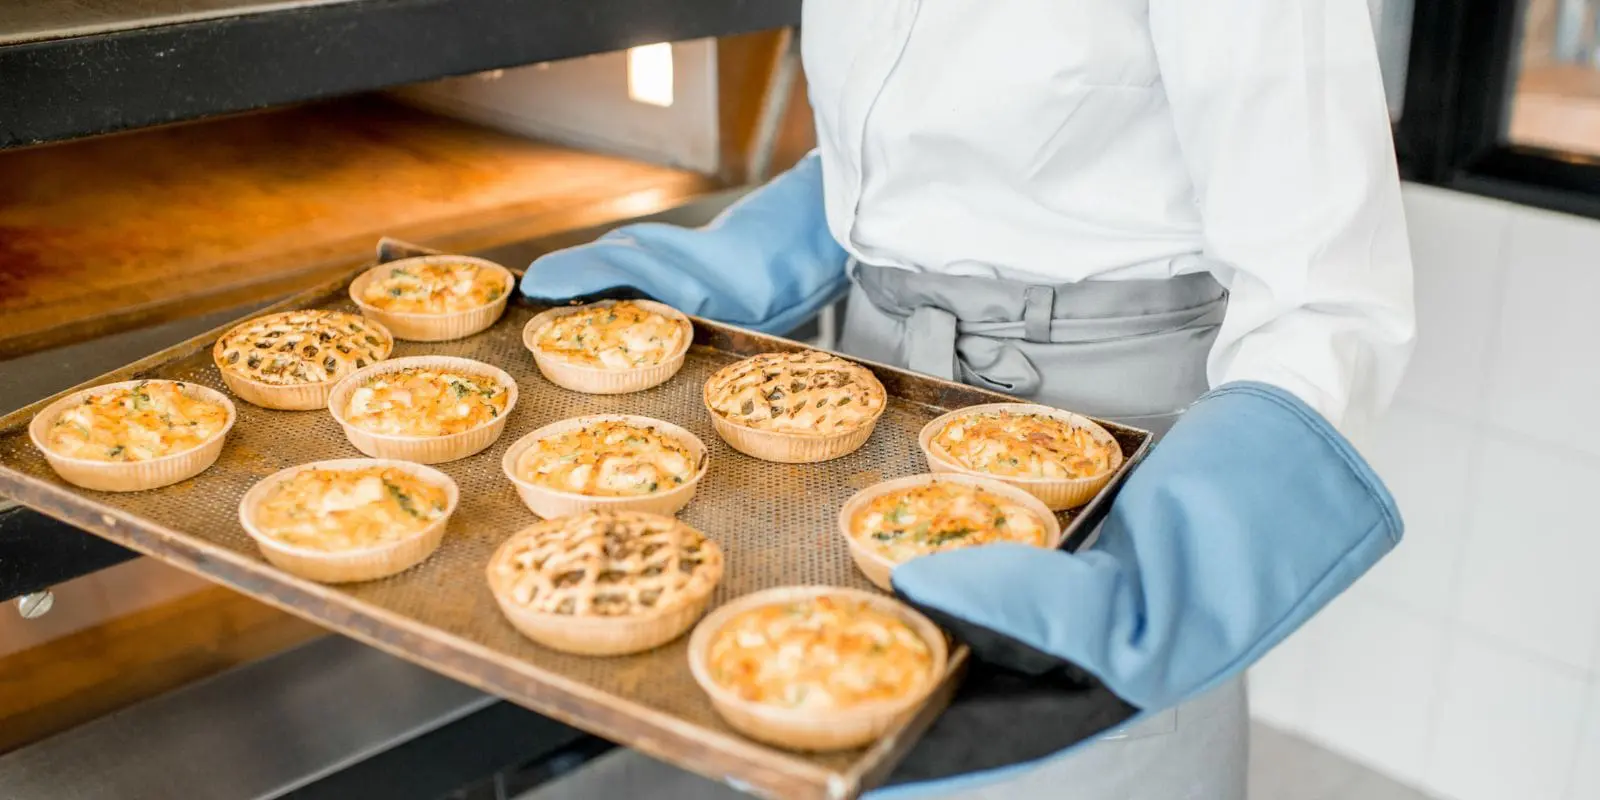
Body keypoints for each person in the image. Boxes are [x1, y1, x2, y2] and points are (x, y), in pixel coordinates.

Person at [520, 1, 1413, 797]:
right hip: (866, 412)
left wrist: (1172, 575)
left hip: (1118, 460)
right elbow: (911, 151)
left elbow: (1326, 299)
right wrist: (736, 260)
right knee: (825, 703)